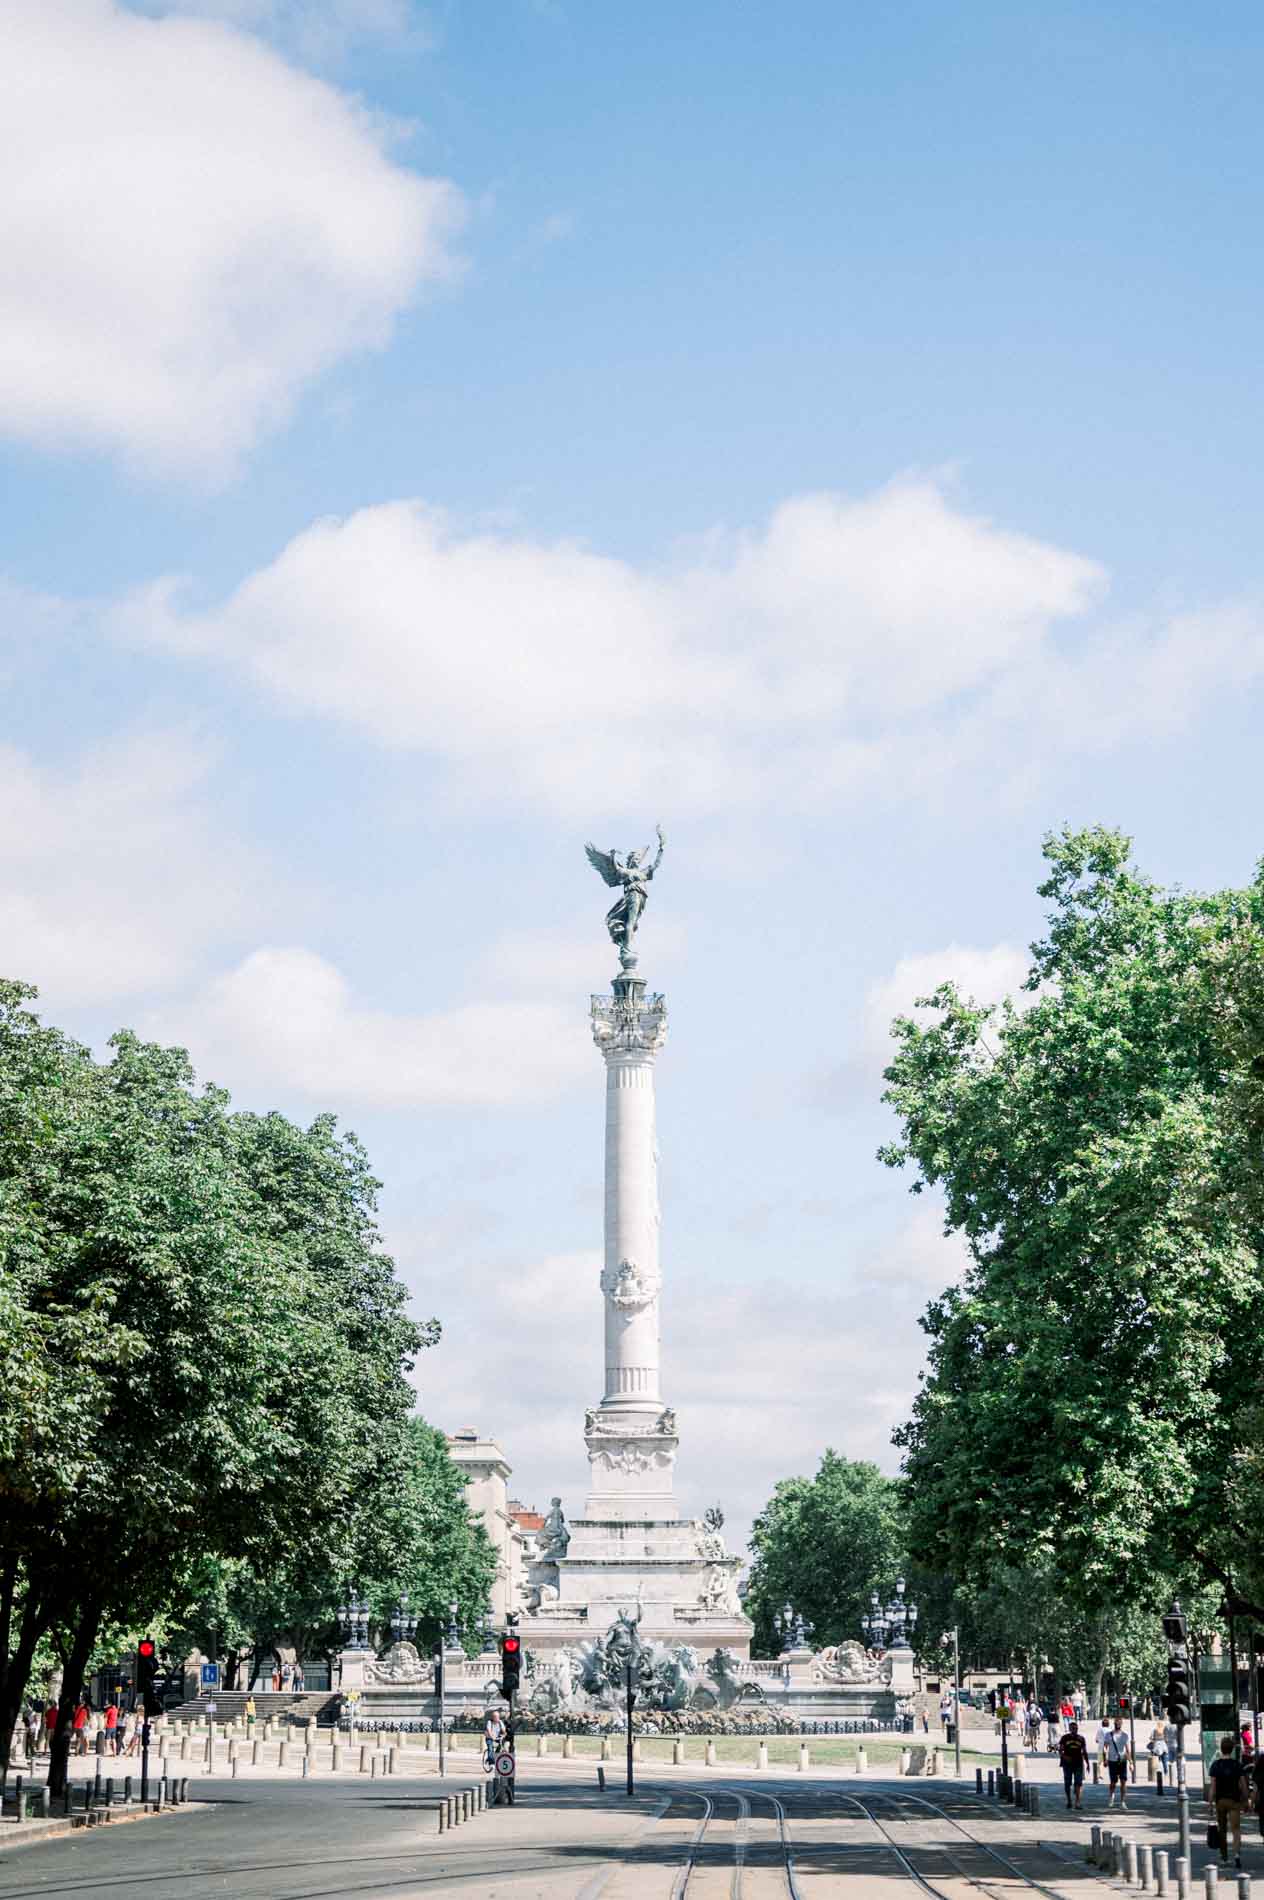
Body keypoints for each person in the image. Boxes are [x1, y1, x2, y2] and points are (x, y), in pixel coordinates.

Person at [1208, 1735, 1248, 1869]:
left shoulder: (1216, 1765)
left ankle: (1224, 1857)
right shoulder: (1237, 1765)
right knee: (1236, 1830)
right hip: (1234, 1801)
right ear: (1231, 1750)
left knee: (1222, 1830)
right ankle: (1237, 1855)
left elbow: (1212, 1787)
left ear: (1221, 1749)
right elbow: (1243, 1785)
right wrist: (1246, 1800)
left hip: (1220, 1801)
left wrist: (1210, 1803)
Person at [1059, 1721, 1090, 1810]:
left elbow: (1084, 1751)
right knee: (1067, 1783)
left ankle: (1077, 1802)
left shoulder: (1081, 1738)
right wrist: (1065, 1757)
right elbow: (1060, 1751)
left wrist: (1087, 1763)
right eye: (1072, 1728)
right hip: (1067, 1763)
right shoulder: (1064, 1738)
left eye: (1076, 1728)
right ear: (1069, 1729)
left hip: (1078, 1763)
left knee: (1078, 1783)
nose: (1074, 1730)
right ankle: (1069, 1800)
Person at [1103, 1713, 1132, 1809]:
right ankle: (1111, 1797)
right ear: (1114, 1723)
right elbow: (1105, 1748)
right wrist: (1105, 1759)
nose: (1118, 1724)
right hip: (1112, 1760)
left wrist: (1131, 1762)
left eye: (1120, 1722)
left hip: (1122, 1760)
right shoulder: (1108, 1735)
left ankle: (1123, 1801)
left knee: (1123, 1781)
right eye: (1116, 1722)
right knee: (1113, 1782)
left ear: (1122, 1724)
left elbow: (1128, 1750)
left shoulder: (1125, 1735)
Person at [1147, 1722, 1169, 1793]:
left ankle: (1155, 1774)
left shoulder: (1154, 1730)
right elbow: (1167, 1739)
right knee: (1164, 1762)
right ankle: (1166, 1773)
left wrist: (1154, 1740)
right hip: (1163, 1747)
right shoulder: (1164, 1730)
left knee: (1155, 1762)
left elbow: (1150, 1738)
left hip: (1156, 1747)